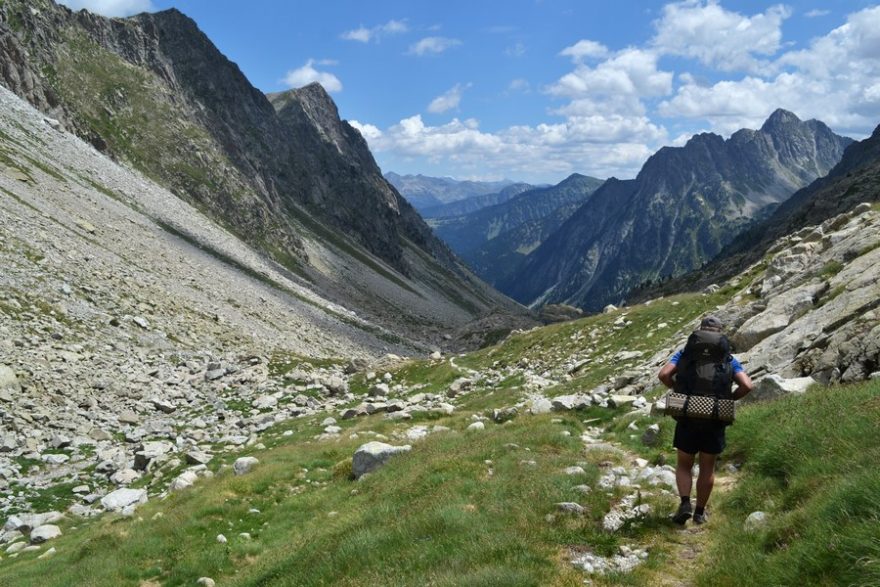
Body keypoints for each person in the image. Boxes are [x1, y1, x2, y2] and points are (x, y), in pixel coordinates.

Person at [657, 315, 753, 525]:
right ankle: (700, 513)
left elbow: (664, 375)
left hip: (687, 414)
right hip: (715, 416)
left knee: (684, 464)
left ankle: (684, 503)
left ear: (700, 332)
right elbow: (747, 385)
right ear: (719, 333)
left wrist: (679, 390)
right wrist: (728, 399)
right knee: (707, 466)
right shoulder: (728, 358)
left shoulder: (685, 353)